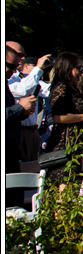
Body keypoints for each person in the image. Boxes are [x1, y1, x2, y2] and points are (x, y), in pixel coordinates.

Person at [41, 52, 83, 182]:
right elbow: (58, 118)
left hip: (76, 143)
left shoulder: (72, 88)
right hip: (64, 144)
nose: (81, 72)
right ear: (68, 68)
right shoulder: (61, 88)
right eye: (78, 68)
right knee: (65, 185)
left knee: (74, 184)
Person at [6, 45, 37, 205]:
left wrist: (23, 112)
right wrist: (19, 107)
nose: (13, 71)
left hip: (12, 147)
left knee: (15, 197)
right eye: (10, 66)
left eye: (15, 67)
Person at [10, 54, 52, 162]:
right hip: (20, 130)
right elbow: (23, 90)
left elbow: (49, 91)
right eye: (19, 55)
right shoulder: (11, 78)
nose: (22, 58)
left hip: (33, 130)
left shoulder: (26, 78)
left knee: (33, 167)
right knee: (22, 168)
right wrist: (38, 68)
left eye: (23, 55)